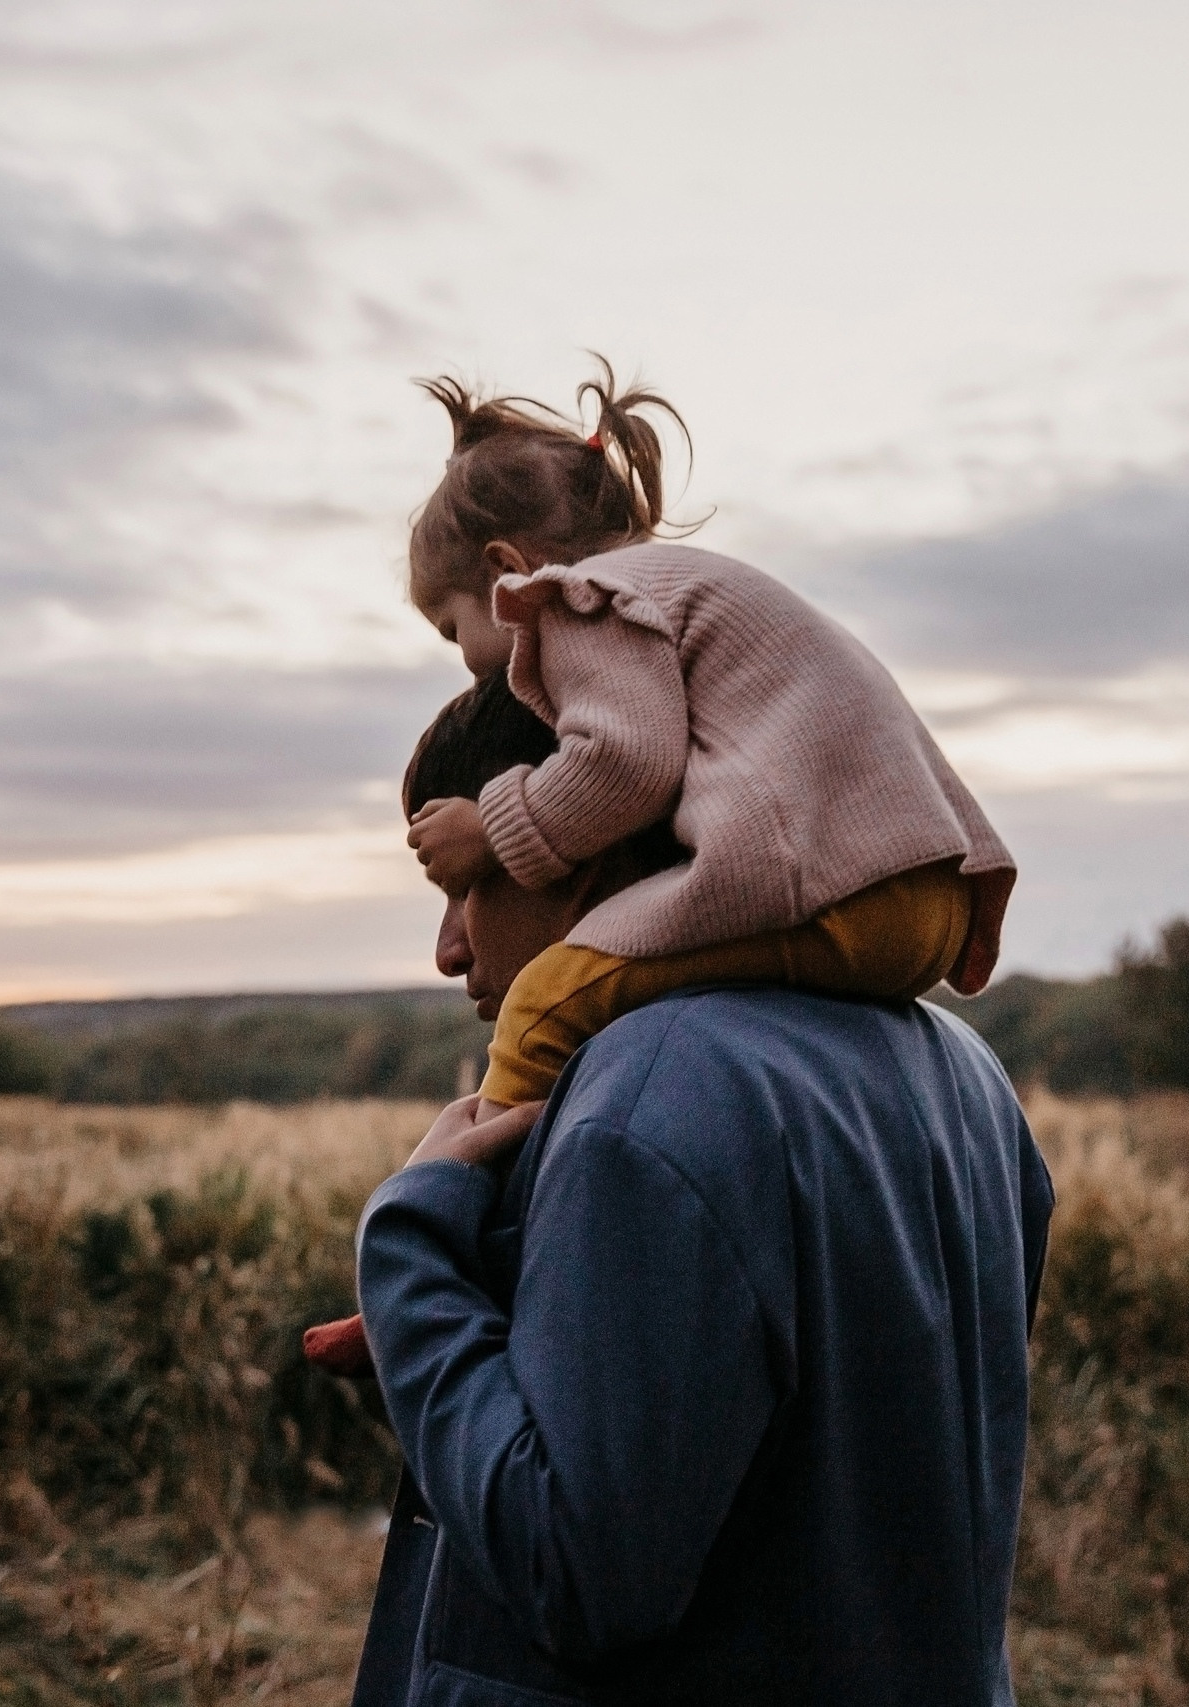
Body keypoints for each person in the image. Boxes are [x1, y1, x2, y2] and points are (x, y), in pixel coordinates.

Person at [347, 674, 1055, 1706]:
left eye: (471, 887)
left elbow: (573, 1576)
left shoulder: (649, 1094)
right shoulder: (959, 1067)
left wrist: (409, 1241)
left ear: (575, 850)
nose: (450, 946)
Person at [402, 360, 1017, 1111]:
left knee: (544, 1003)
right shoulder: (684, 586)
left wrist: (493, 831)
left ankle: (487, 1153)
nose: (467, 664)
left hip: (832, 893)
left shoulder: (582, 602)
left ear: (508, 572)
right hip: (932, 891)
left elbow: (627, 763)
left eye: (452, 628)